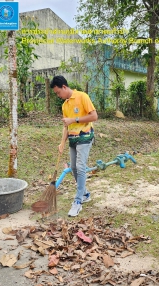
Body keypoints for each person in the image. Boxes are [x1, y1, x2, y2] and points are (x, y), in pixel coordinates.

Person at [50, 75, 98, 217]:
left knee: (81, 166)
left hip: (85, 136)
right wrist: (62, 142)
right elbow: (66, 125)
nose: (58, 96)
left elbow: (94, 116)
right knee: (74, 168)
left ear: (64, 87)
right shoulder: (65, 105)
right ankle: (85, 194)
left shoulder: (82, 96)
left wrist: (74, 119)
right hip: (72, 139)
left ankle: (78, 202)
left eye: (58, 92)